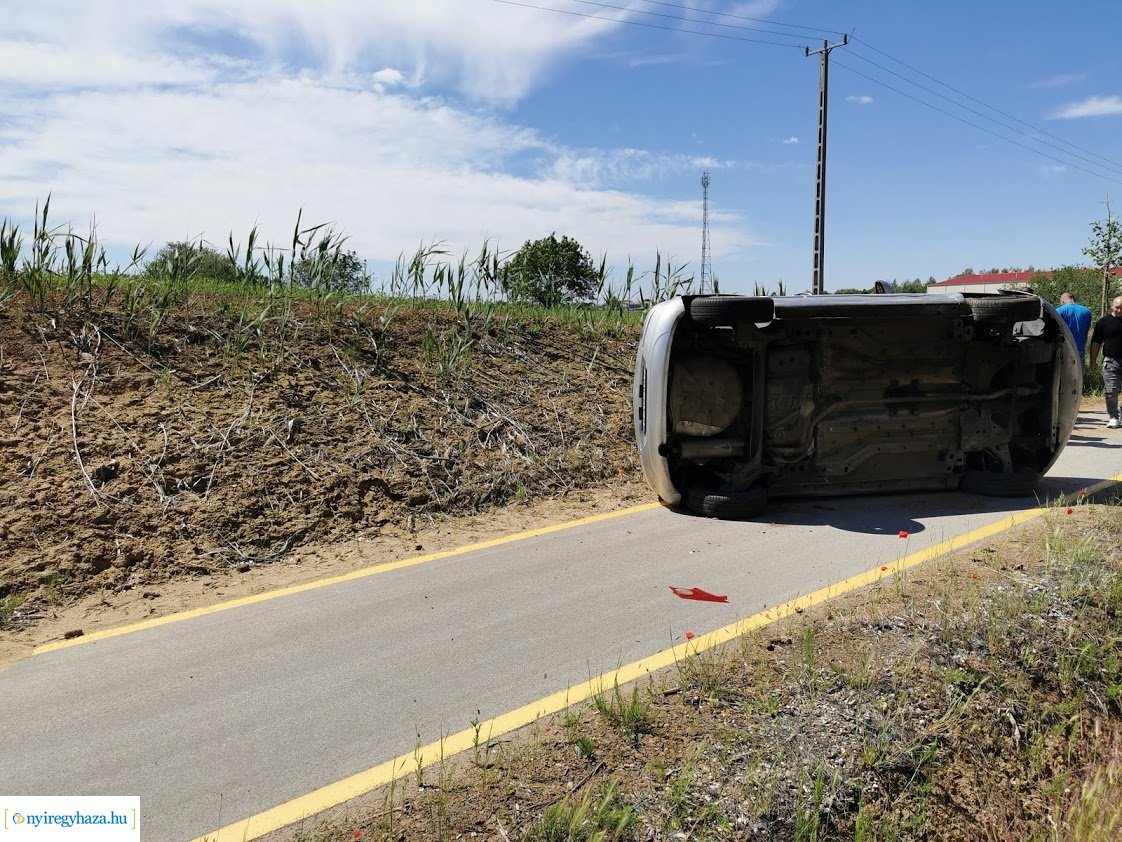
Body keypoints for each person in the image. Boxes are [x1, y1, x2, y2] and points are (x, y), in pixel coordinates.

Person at [1089, 296, 1122, 428]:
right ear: (1112, 306)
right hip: (1111, 361)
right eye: (1117, 307)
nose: (1119, 310)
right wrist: (1093, 361)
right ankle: (1114, 417)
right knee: (1110, 391)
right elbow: (1095, 343)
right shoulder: (1104, 322)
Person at [1055, 291, 1093, 369]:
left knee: (1063, 377)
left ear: (1062, 301)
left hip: (1064, 349)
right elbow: (1086, 331)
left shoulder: (1059, 310)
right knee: (1079, 377)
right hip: (1080, 349)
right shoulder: (1087, 311)